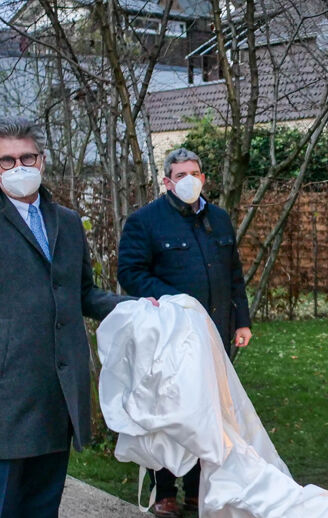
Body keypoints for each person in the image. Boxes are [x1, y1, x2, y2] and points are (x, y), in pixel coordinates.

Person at [0, 117, 141, 518]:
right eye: (7, 160)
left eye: (27, 157)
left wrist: (135, 306)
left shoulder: (67, 221)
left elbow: (81, 292)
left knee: (44, 501)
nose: (19, 166)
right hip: (3, 383)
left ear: (42, 161)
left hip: (59, 383)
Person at [117, 147, 253, 517]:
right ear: (166, 181)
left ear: (204, 177)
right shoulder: (145, 222)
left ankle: (198, 489)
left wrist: (242, 320)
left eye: (195, 172)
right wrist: (174, 301)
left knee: (208, 409)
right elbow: (130, 274)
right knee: (171, 410)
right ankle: (166, 491)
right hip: (171, 335)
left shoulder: (219, 219)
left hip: (216, 332)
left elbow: (234, 272)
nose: (189, 180)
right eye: (180, 175)